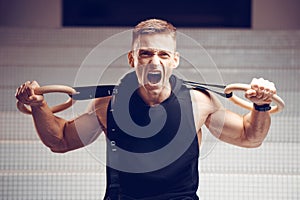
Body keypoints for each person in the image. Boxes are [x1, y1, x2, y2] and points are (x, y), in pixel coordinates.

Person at [15, 19, 276, 200]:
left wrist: (261, 105)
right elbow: (60, 140)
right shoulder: (108, 104)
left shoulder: (199, 102)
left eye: (163, 54)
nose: (155, 61)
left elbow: (249, 137)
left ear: (174, 60)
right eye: (146, 53)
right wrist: (39, 106)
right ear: (132, 58)